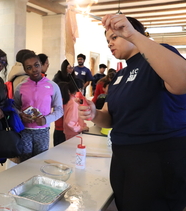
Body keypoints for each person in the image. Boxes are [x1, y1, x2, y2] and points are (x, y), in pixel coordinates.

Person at [79, 14, 186, 211]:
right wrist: (94, 113)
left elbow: (182, 82)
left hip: (157, 157)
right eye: (107, 40)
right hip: (123, 157)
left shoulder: (159, 55)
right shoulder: (120, 75)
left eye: (115, 37)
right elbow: (110, 118)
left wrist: (134, 35)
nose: (110, 44)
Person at [14, 52, 63, 162]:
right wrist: (21, 115)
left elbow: (59, 110)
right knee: (25, 163)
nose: (34, 69)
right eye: (29, 67)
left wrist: (46, 119)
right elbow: (14, 107)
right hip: (24, 131)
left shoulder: (52, 86)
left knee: (40, 162)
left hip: (43, 131)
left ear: (41, 65)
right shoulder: (20, 87)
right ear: (25, 70)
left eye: (36, 65)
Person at [52, 59, 83, 146]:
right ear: (64, 67)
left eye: (72, 67)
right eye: (69, 67)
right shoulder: (58, 78)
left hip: (68, 119)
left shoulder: (73, 78)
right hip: (61, 109)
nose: (71, 70)